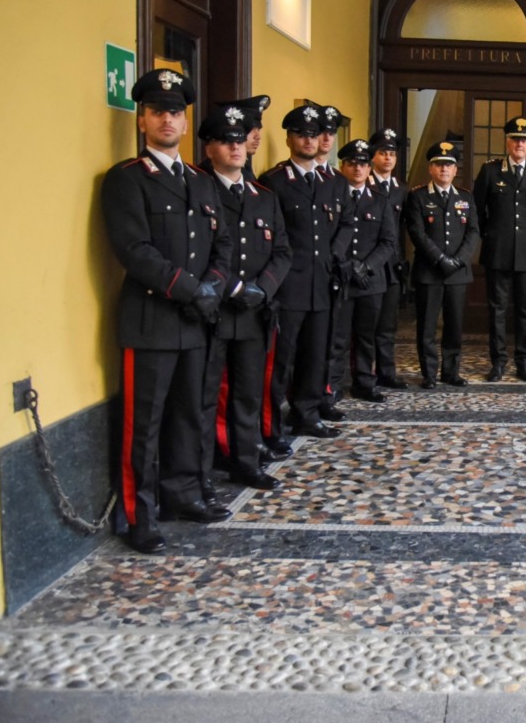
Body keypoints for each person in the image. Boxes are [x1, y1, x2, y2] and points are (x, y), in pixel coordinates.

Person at [100, 68, 232, 555]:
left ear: (185, 118)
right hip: (153, 320)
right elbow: (134, 250)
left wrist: (213, 287)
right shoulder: (127, 179)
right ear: (142, 120)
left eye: (175, 112)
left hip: (195, 320)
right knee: (145, 423)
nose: (167, 120)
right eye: (157, 111)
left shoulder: (200, 181)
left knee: (188, 417)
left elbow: (222, 244)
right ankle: (140, 515)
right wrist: (189, 288)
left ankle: (181, 494)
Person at [196, 106, 291, 494]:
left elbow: (283, 251)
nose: (236, 148)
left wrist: (262, 288)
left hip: (254, 311)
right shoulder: (198, 189)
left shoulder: (264, 196)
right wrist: (233, 288)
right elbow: (198, 250)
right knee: (203, 399)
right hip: (212, 310)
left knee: (248, 393)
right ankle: (200, 475)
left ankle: (245, 463)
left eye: (240, 140)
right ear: (209, 148)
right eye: (226, 141)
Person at [258, 104, 355, 441]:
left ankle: (307, 414)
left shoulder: (334, 182)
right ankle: (269, 424)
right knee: (282, 360)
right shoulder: (273, 181)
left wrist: (335, 253)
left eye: (314, 135)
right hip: (288, 286)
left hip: (324, 283)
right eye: (302, 134)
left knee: (316, 355)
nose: (310, 140)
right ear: (289, 139)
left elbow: (347, 223)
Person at [473, 116, 526, 381]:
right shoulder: (490, 171)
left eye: (525, 140)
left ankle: (523, 362)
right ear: (507, 142)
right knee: (497, 310)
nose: (520, 144)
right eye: (515, 139)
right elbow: (477, 210)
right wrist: (493, 235)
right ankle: (497, 363)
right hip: (497, 251)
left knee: (524, 311)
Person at [323, 139, 399, 406]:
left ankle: (365, 382)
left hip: (370, 280)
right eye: (352, 163)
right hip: (341, 279)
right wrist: (345, 266)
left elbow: (389, 241)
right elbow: (327, 237)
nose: (358, 169)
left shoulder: (380, 200)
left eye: (363, 164)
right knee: (338, 337)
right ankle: (332, 384)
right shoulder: (331, 196)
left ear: (369, 168)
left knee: (367, 337)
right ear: (342, 166)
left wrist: (366, 266)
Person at [406, 136, 481, 388]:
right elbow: (417, 233)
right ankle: (429, 374)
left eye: (449, 165)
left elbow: (473, 232)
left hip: (458, 273)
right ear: (430, 168)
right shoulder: (417, 197)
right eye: (438, 164)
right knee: (427, 327)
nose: (444, 169)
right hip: (429, 271)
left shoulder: (465, 197)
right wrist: (440, 259)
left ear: (456, 169)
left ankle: (451, 372)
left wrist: (458, 260)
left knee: (454, 325)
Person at [368, 129, 410, 389]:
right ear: (373, 155)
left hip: (393, 266)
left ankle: (387, 371)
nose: (388, 158)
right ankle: (363, 373)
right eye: (383, 152)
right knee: (365, 326)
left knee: (387, 325)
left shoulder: (401, 191)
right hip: (369, 265)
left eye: (392, 154)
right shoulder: (363, 184)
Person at [213, 94, 271, 182]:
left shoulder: (245, 167)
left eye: (258, 129)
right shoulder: (217, 169)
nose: (258, 136)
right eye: (251, 129)